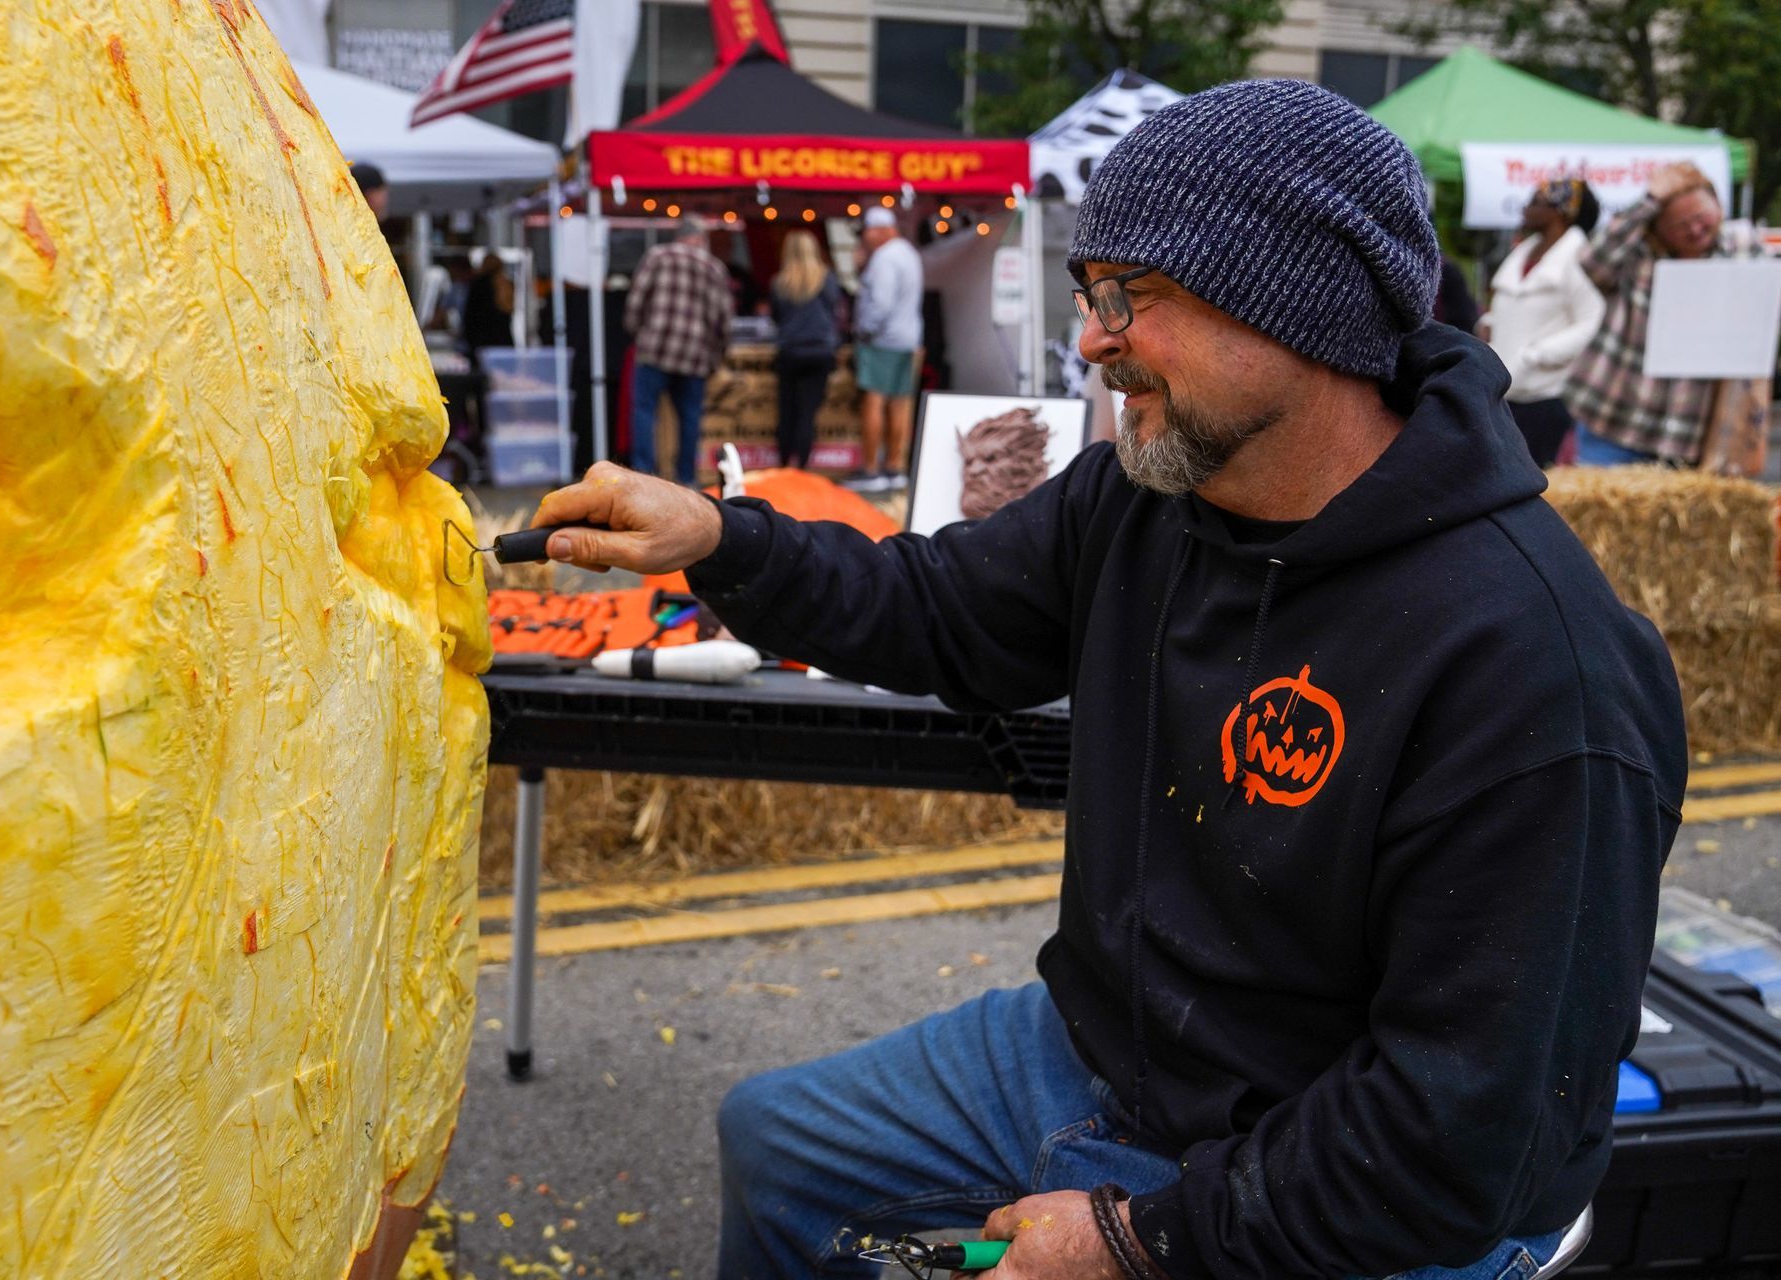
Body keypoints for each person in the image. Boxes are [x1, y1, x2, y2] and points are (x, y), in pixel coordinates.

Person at [532, 79, 1684, 1280]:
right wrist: (719, 537)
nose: (1091, 338)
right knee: (777, 1140)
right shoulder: (1150, 494)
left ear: (1297, 309)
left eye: (1138, 296)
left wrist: (1138, 1239)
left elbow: (1456, 1140)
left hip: (1334, 1171)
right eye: (1094, 294)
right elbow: (935, 608)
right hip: (1099, 1050)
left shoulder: (1536, 668)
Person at [1564, 162, 1752, 467]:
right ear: (1659, 228)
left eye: (1701, 217)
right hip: (1614, 419)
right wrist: (1649, 200)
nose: (1695, 230)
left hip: (1693, 433)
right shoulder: (1637, 254)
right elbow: (1591, 261)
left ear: (1718, 205)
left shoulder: (1742, 247)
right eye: (1681, 225)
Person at [1479, 179, 1605, 467]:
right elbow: (1510, 306)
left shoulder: (1581, 258)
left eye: (1537, 201)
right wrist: (1489, 321)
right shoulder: (1524, 252)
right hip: (1505, 394)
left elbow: (1592, 325)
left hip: (1547, 396)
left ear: (1561, 212)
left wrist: (1537, 354)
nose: (1526, 207)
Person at [624, 214, 735, 483]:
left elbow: (635, 303)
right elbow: (724, 319)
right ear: (701, 239)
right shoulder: (714, 267)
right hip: (694, 356)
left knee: (644, 412)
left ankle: (644, 475)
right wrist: (717, 354)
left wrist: (638, 332)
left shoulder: (657, 257)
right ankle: (687, 478)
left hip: (655, 348)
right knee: (689, 418)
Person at [851, 206, 924, 489]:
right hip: (907, 338)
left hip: (883, 340)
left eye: (867, 231)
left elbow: (879, 303)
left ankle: (871, 470)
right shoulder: (908, 253)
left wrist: (863, 331)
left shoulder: (884, 258)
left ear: (879, 230)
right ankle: (894, 467)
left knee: (875, 400)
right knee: (900, 403)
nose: (865, 238)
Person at [768, 230, 844, 469]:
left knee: (787, 410)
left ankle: (783, 464)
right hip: (819, 352)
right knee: (808, 413)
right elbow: (836, 313)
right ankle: (800, 466)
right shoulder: (827, 279)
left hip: (790, 351)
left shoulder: (780, 282)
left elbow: (776, 317)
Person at [461, 249, 516, 354]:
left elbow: (470, 316)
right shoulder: (506, 284)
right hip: (504, 342)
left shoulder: (478, 285)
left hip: (482, 343)